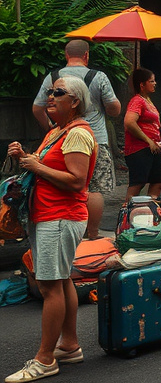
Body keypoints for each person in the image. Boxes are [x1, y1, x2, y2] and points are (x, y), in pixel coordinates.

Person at [4, 76, 97, 383]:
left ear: (75, 102)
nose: (50, 96)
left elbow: (76, 179)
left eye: (59, 92)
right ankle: (69, 345)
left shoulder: (79, 134)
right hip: (49, 215)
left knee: (48, 286)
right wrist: (26, 158)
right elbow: (46, 168)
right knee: (61, 279)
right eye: (49, 91)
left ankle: (45, 360)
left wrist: (36, 166)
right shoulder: (57, 132)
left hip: (59, 217)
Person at [32, 40, 120, 240]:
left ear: (66, 55)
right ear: (87, 55)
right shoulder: (99, 77)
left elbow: (37, 108)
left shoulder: (53, 78)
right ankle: (93, 235)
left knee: (66, 183)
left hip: (62, 140)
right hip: (96, 139)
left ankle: (72, 232)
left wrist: (52, 129)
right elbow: (114, 109)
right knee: (95, 189)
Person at [122, 68, 161, 202]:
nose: (155, 83)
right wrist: (148, 141)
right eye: (151, 81)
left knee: (158, 179)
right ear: (142, 84)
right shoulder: (137, 101)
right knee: (138, 182)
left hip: (151, 148)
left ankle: (149, 209)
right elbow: (129, 122)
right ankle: (128, 211)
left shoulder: (147, 100)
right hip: (139, 148)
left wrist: (156, 142)